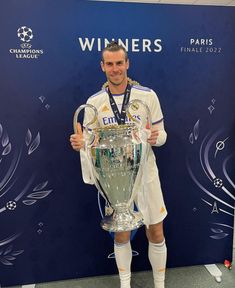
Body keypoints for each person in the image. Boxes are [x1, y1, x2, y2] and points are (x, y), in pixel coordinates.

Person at [70, 41, 167, 288]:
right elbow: (90, 141)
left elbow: (161, 132)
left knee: (155, 232)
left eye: (119, 63)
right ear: (103, 66)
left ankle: (160, 284)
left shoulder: (147, 95)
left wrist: (158, 137)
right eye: (110, 64)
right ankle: (125, 284)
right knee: (121, 232)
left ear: (127, 64)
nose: (115, 69)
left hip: (146, 174)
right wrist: (81, 142)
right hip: (116, 179)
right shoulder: (94, 102)